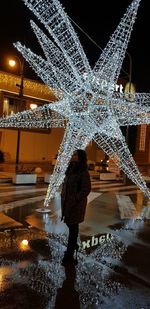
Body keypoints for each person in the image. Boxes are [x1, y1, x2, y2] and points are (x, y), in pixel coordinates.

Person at [61, 149, 91, 265]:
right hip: (68, 203)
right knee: (70, 226)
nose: (72, 156)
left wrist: (75, 199)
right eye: (72, 154)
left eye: (75, 155)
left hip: (76, 205)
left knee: (73, 228)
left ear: (80, 157)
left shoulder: (83, 172)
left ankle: (69, 254)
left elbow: (86, 189)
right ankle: (73, 246)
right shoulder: (71, 169)